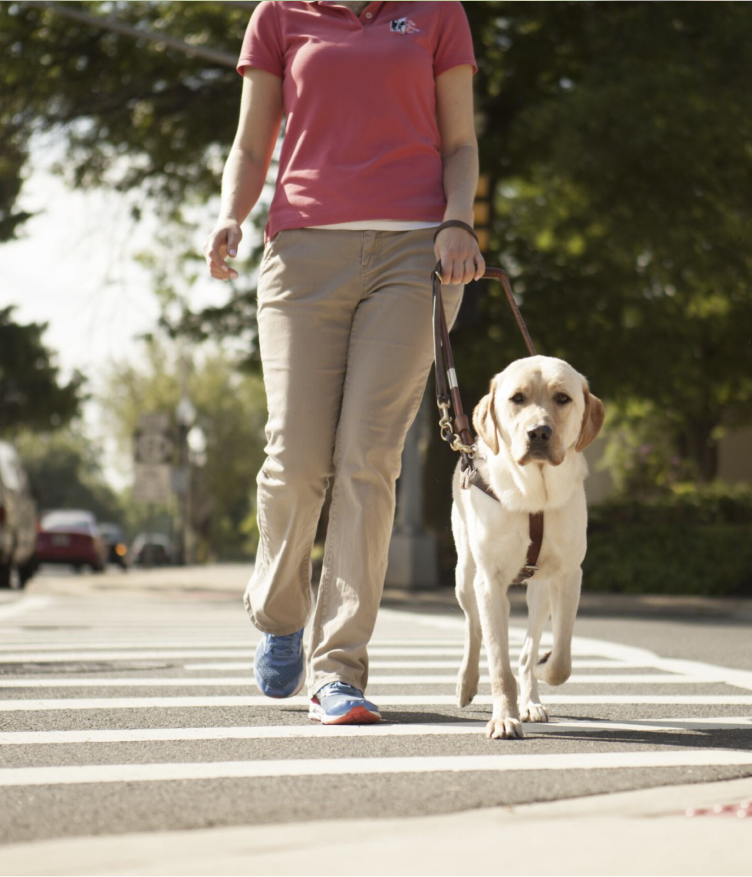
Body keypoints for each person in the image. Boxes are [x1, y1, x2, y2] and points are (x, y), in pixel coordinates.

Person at [203, 1, 482, 725]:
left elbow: (459, 143)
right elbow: (250, 144)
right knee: (295, 458)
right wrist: (232, 211)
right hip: (302, 254)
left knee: (369, 458)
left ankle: (339, 668)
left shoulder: (435, 13)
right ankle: (279, 612)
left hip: (414, 253)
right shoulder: (279, 15)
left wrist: (459, 220)